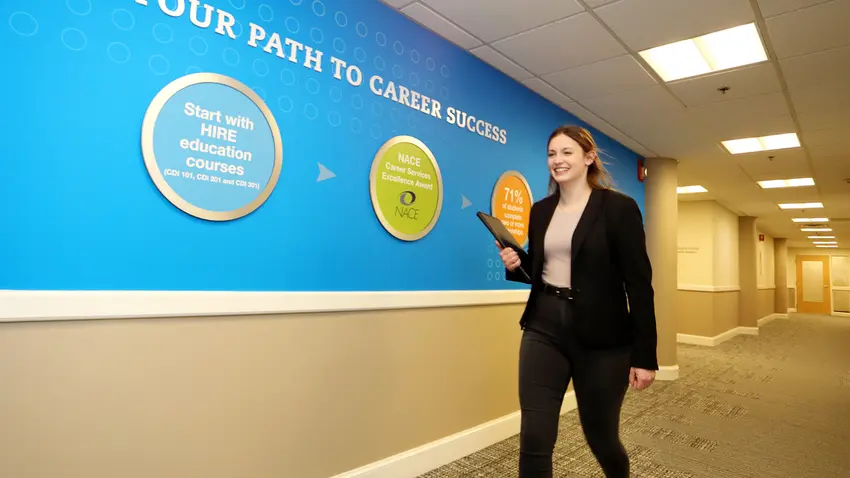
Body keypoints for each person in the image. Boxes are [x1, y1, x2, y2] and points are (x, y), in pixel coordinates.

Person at [497, 125, 658, 478]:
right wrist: (517, 263)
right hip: (544, 327)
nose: (558, 160)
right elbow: (543, 270)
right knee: (535, 437)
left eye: (567, 152)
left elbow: (639, 285)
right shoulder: (540, 211)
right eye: (552, 154)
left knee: (600, 436)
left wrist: (645, 357)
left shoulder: (618, 208)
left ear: (589, 157)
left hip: (603, 340)